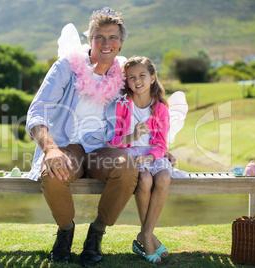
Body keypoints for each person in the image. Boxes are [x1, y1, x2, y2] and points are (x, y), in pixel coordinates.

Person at [26, 7, 139, 266]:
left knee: (127, 168)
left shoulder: (124, 74)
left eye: (112, 37)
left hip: (102, 148)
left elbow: (151, 108)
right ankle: (65, 231)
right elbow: (37, 112)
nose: (106, 43)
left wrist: (159, 145)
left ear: (121, 44)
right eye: (99, 37)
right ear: (90, 40)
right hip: (68, 145)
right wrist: (51, 150)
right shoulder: (67, 66)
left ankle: (96, 233)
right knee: (52, 172)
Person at [108, 56, 187, 264]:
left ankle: (145, 234)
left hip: (153, 155)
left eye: (142, 75)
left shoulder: (160, 108)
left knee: (163, 178)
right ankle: (149, 238)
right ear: (127, 81)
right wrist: (131, 137)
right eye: (131, 77)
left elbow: (161, 144)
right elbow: (112, 140)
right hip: (129, 155)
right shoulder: (123, 105)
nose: (137, 80)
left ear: (152, 78)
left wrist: (151, 156)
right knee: (144, 180)